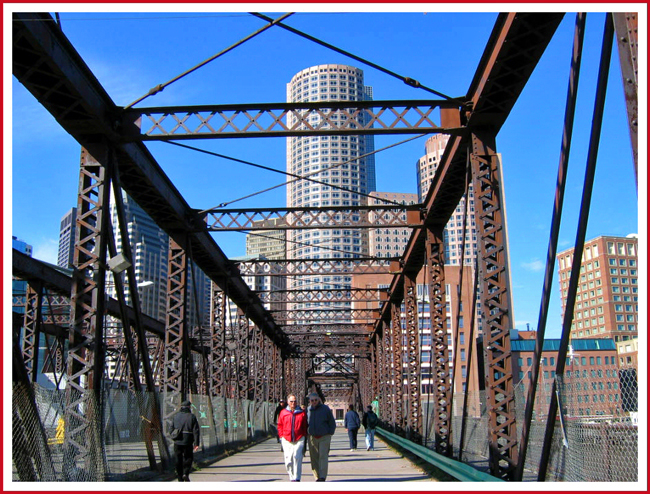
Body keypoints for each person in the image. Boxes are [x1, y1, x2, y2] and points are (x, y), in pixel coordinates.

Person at [277, 394, 308, 481]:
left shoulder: (301, 413)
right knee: (288, 459)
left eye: (294, 401)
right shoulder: (283, 412)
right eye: (291, 401)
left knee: (297, 456)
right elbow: (280, 425)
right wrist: (281, 436)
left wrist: (304, 435)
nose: (293, 403)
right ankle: (291, 476)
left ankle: (297, 478)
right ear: (288, 402)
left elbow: (305, 425)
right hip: (286, 438)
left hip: (299, 438)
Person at [306, 392, 336, 482]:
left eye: (315, 400)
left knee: (323, 456)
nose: (314, 402)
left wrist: (330, 432)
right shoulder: (308, 410)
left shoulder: (325, 409)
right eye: (312, 400)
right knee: (314, 457)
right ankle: (317, 476)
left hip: (324, 436)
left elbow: (331, 421)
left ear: (319, 400)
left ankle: (322, 477)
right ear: (310, 401)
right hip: (312, 437)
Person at [170, 400, 200, 482]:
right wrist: (196, 443)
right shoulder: (192, 417)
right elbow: (196, 431)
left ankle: (180, 477)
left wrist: (173, 436)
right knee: (188, 457)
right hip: (188, 441)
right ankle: (185, 473)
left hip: (177, 441)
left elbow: (171, 428)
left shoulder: (176, 416)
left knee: (178, 459)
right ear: (189, 407)